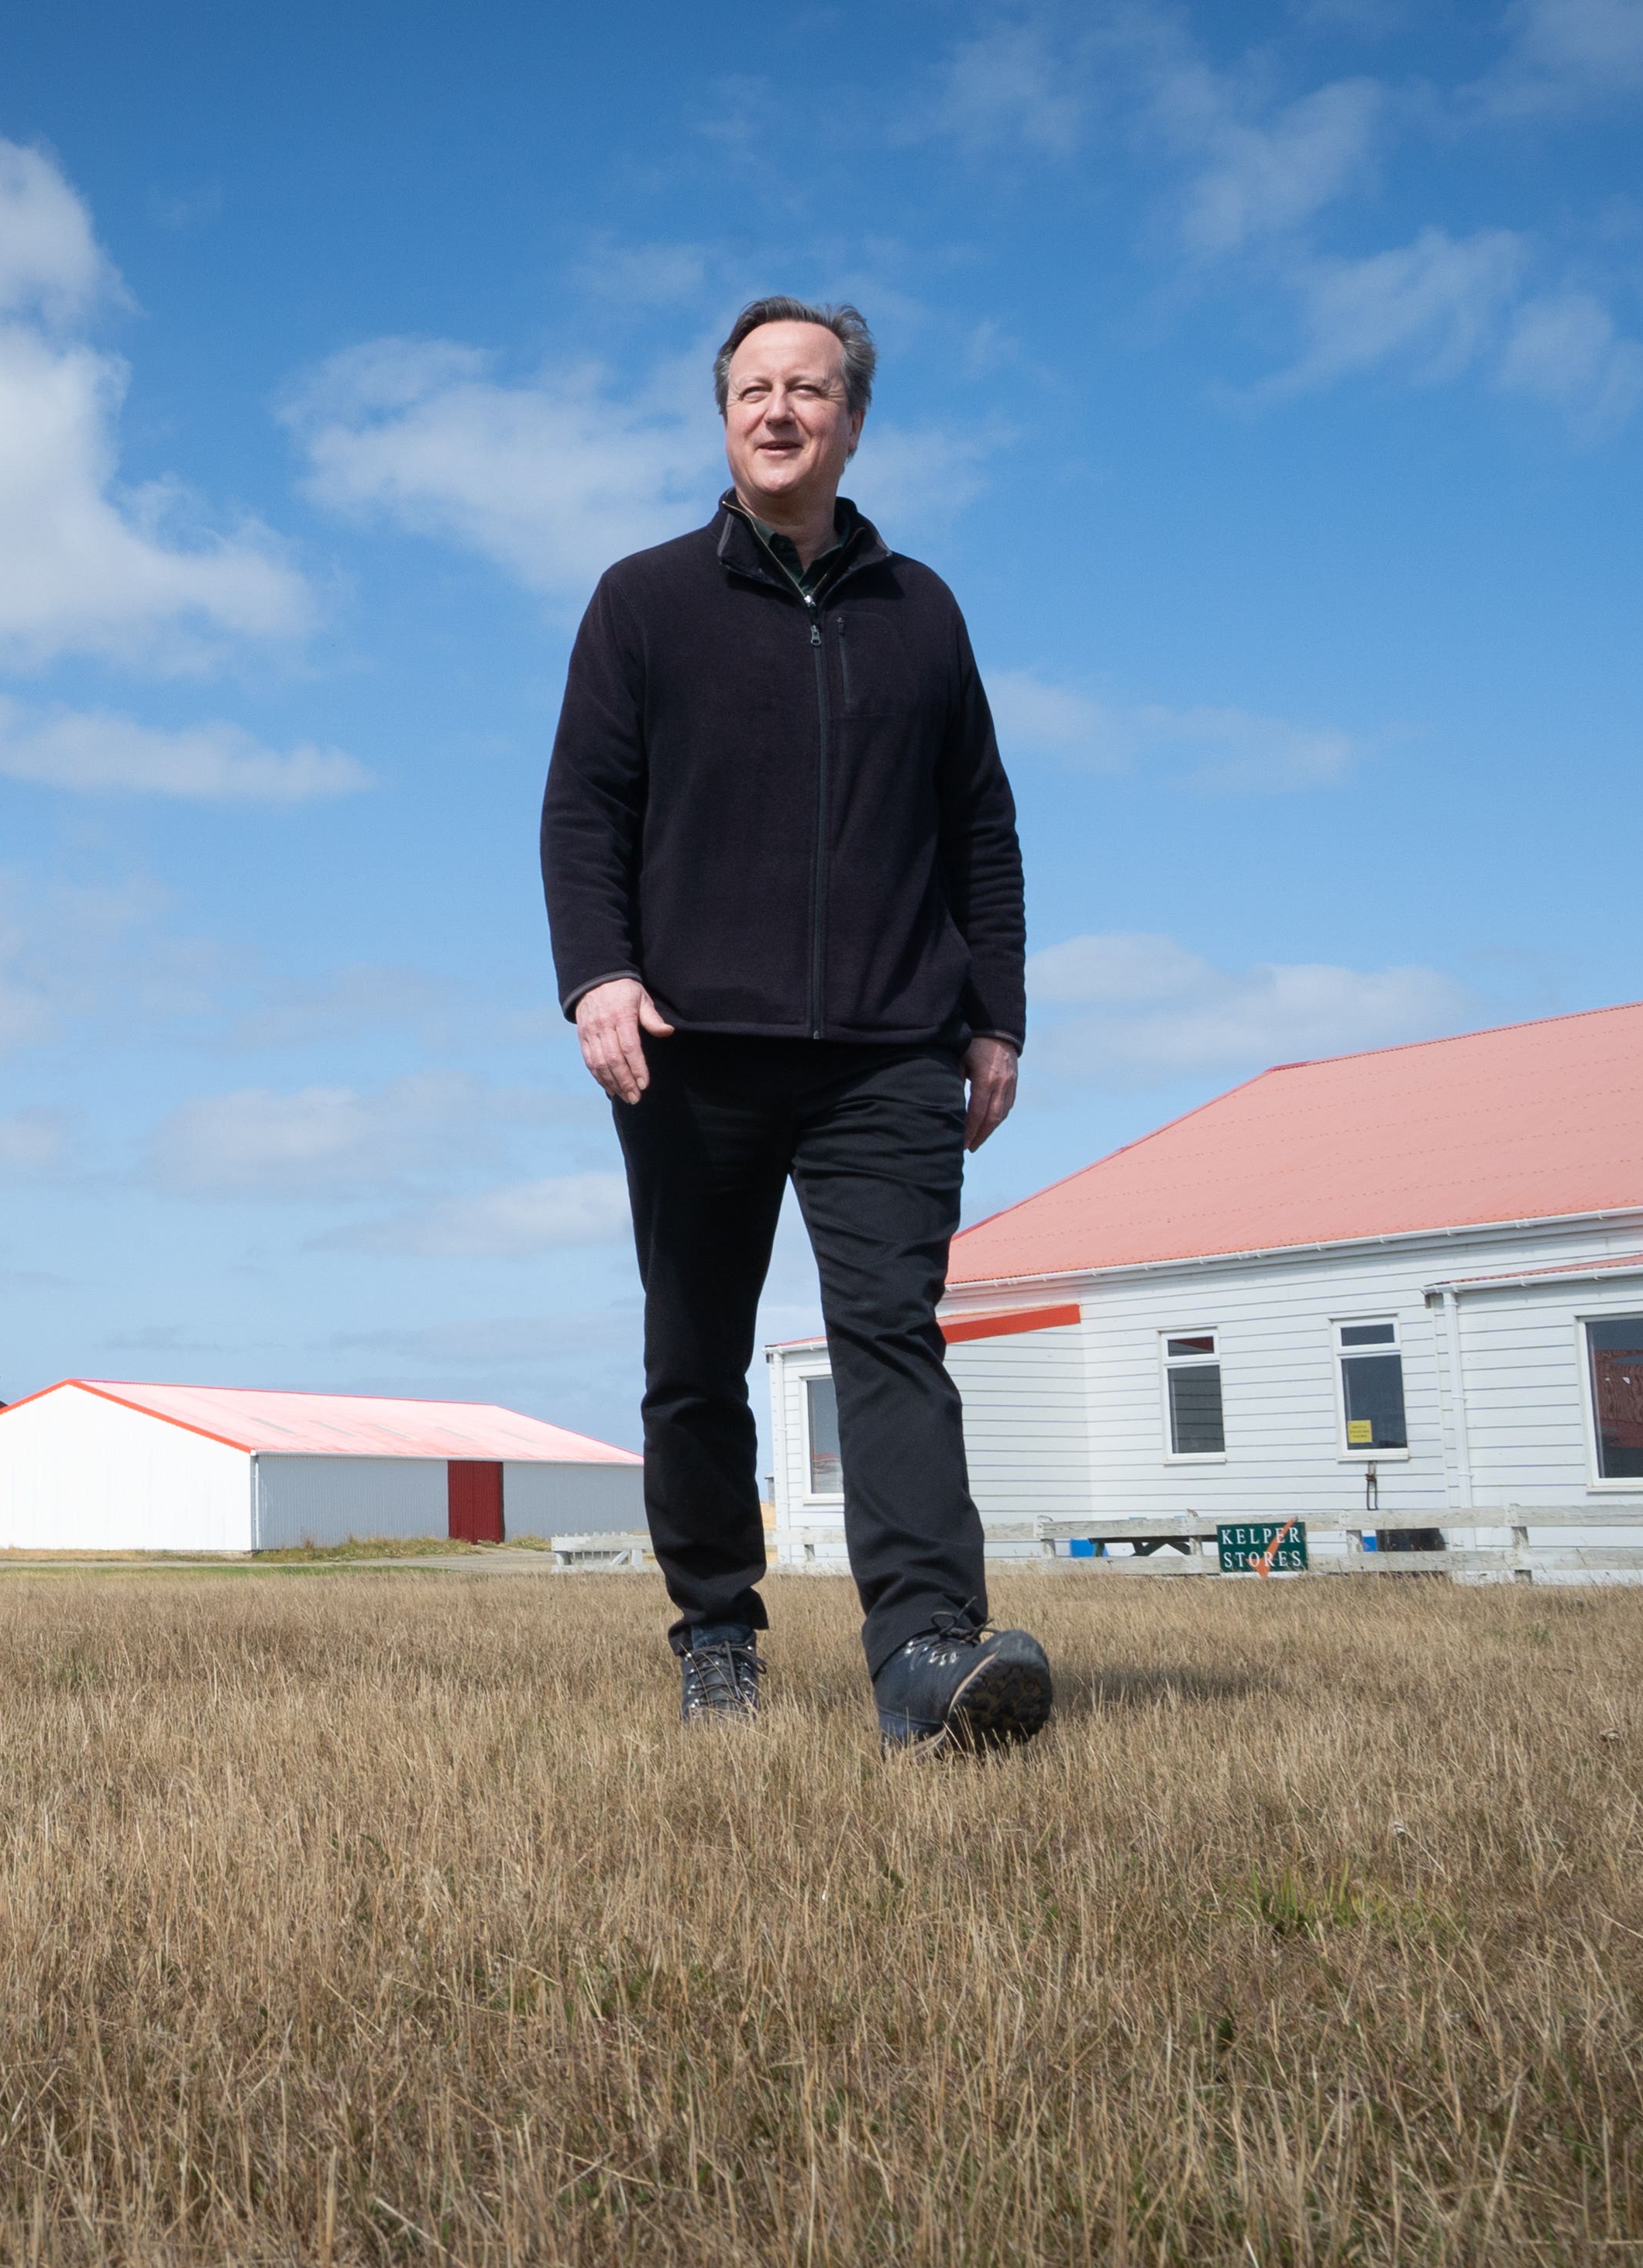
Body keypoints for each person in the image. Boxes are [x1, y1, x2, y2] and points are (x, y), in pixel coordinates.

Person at [541, 294, 1049, 1752]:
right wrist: (598, 977)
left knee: (891, 1332)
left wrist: (993, 1012)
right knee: (694, 1348)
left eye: (808, 389)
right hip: (690, 1047)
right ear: (724, 418)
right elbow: (584, 809)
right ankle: (715, 1624)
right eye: (752, 388)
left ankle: (925, 1658)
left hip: (892, 1046)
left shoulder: (924, 610)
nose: (779, 410)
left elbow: (982, 827)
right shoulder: (642, 601)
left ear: (852, 419)